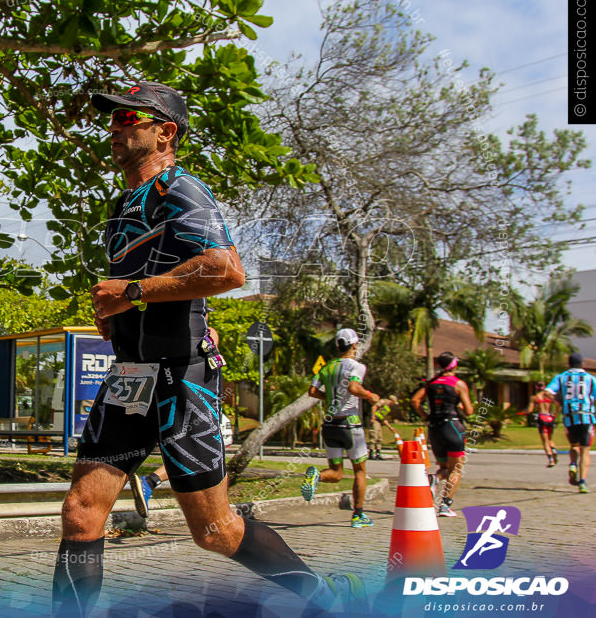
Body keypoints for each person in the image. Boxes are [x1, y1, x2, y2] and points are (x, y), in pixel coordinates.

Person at [52, 82, 364, 616]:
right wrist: (113, 312)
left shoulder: (181, 189)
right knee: (81, 512)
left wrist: (129, 293)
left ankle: (325, 596)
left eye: (130, 118)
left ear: (165, 132)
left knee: (215, 531)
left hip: (182, 378)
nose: (115, 127)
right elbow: (163, 284)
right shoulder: (122, 205)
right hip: (130, 374)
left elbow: (225, 270)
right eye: (114, 118)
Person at [129, 327, 231, 518]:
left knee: (195, 452)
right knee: (198, 451)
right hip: (188, 396)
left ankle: (150, 483)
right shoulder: (202, 331)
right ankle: (150, 482)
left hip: (183, 394)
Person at [301, 329, 380, 528]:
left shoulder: (327, 367)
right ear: (354, 345)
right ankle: (358, 515)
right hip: (350, 425)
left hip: (330, 424)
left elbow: (311, 391)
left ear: (337, 346)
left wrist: (328, 398)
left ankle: (317, 476)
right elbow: (354, 388)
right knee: (360, 471)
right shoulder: (357, 366)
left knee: (336, 473)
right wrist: (370, 395)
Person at [411, 352, 473, 517]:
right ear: (454, 365)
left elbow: (415, 401)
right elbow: (469, 410)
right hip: (453, 427)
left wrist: (426, 416)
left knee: (444, 468)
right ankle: (445, 505)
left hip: (435, 429)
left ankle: (436, 479)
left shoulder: (430, 384)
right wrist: (459, 407)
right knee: (456, 469)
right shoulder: (458, 384)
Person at [545, 352, 596, 493]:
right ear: (583, 364)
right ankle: (583, 482)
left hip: (569, 416)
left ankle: (573, 464)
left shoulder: (561, 377)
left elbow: (547, 392)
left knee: (574, 445)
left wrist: (559, 401)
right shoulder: (590, 379)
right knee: (585, 450)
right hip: (586, 416)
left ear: (569, 364)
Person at [522, 383, 559, 467]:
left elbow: (530, 410)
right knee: (550, 439)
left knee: (545, 441)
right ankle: (553, 450)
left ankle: (551, 460)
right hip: (550, 417)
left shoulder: (535, 397)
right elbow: (558, 406)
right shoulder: (550, 397)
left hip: (542, 418)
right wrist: (555, 415)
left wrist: (524, 412)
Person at [368, 394, 399, 460]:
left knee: (379, 438)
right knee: (374, 436)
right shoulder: (383, 402)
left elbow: (383, 418)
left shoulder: (388, 408)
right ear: (391, 401)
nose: (394, 404)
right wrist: (373, 417)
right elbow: (374, 407)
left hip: (379, 421)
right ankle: (371, 452)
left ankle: (378, 453)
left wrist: (390, 427)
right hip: (375, 420)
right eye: (393, 403)